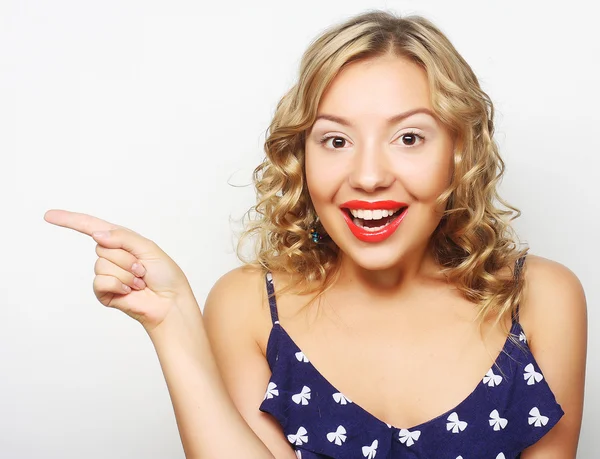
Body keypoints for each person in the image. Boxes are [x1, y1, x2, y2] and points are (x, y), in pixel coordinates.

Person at [44, 10, 586, 459]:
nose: (369, 175)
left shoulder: (540, 299)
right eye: (334, 141)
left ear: (459, 153)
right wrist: (172, 322)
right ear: (301, 157)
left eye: (410, 136)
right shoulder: (250, 306)